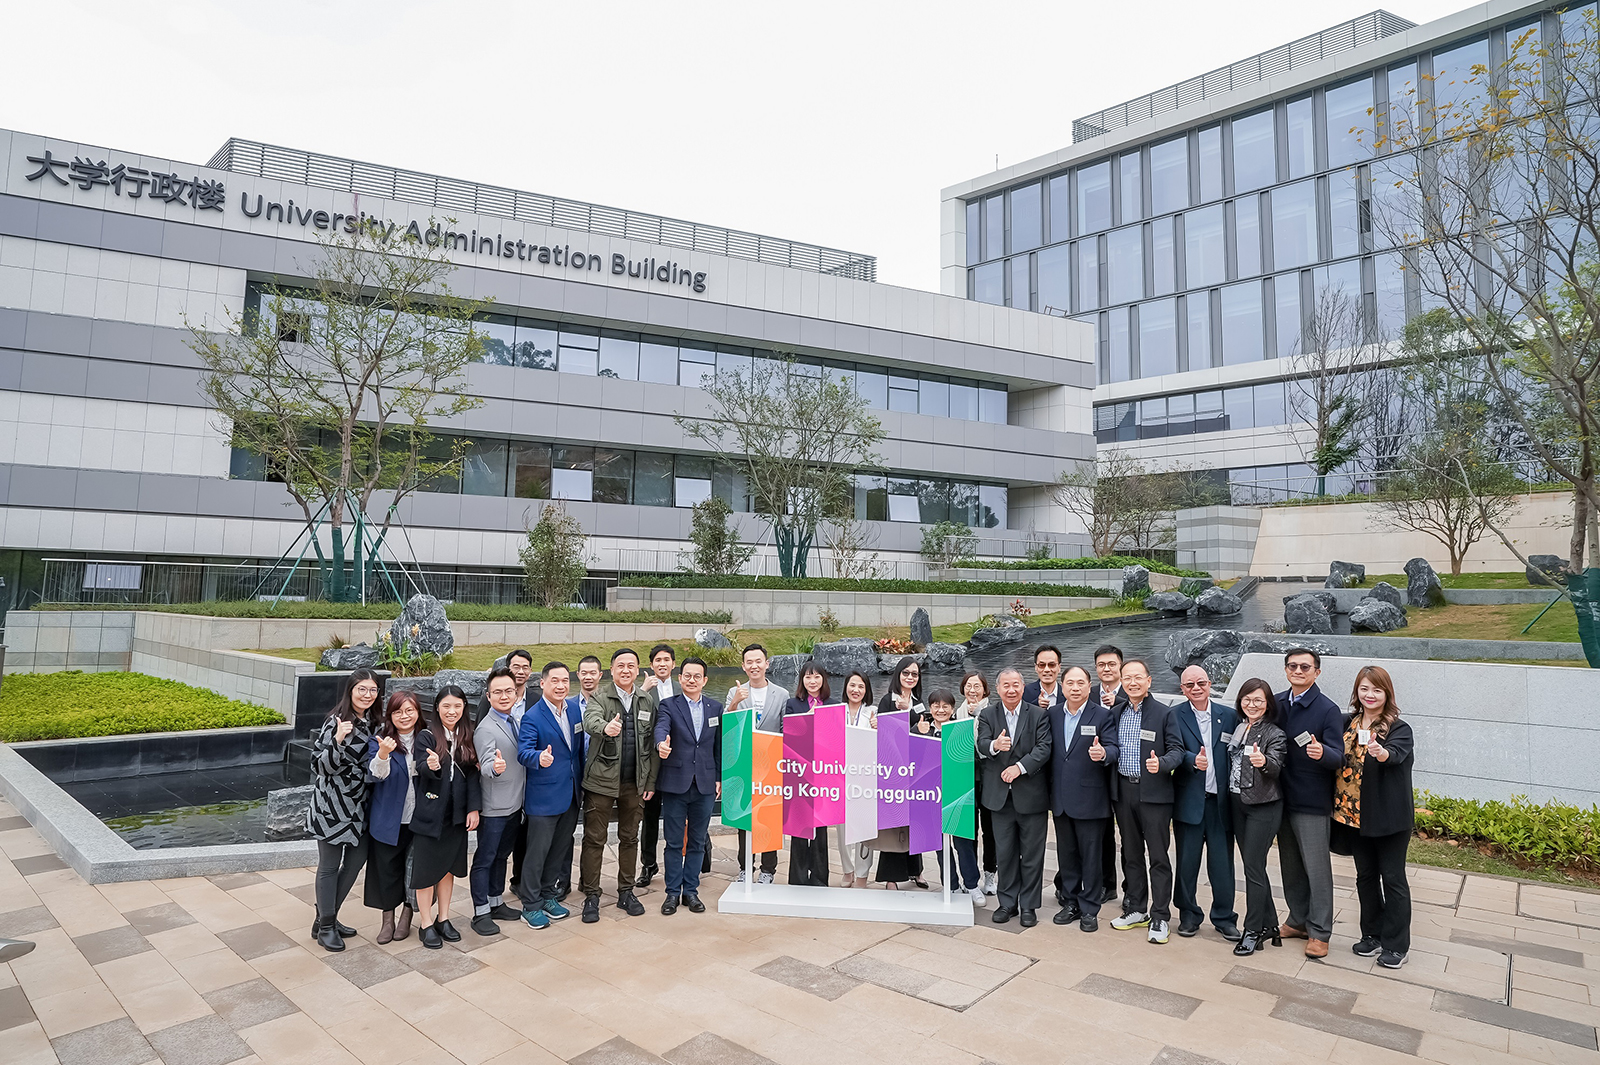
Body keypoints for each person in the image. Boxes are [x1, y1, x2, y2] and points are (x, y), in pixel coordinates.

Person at [1338, 665, 1415, 970]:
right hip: (1355, 816)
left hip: (1389, 818)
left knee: (1393, 879)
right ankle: (1372, 934)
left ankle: (1396, 945)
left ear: (1387, 693)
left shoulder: (1399, 729)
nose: (1370, 695)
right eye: (1364, 689)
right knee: (1366, 877)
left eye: (1377, 690)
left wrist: (1381, 753)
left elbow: (1395, 755)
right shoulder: (1347, 723)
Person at [1275, 648, 1346, 960]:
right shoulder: (1276, 702)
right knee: (1290, 864)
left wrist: (1323, 753)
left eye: (1305, 667)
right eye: (1292, 666)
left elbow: (1339, 756)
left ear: (1317, 672)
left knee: (1317, 870)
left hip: (1311, 799)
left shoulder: (1327, 709)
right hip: (1280, 796)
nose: (1298, 671)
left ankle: (1319, 931)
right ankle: (1297, 920)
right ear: (1286, 670)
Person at [1108, 659, 1185, 944]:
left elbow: (1177, 750)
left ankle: (1160, 915)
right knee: (1130, 853)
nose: (1132, 682)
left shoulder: (1164, 713)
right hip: (1123, 791)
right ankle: (1136, 908)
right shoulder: (1116, 713)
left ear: (1149, 681)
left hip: (1154, 794)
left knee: (1158, 856)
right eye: (1127, 678)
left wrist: (1162, 764)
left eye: (1138, 677)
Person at [578, 648, 659, 921]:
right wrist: (605, 727)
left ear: (637, 670)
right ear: (611, 670)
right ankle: (591, 894)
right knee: (594, 839)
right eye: (620, 665)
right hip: (600, 783)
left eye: (631, 666)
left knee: (630, 838)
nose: (626, 670)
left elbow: (651, 744)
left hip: (634, 784)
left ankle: (626, 891)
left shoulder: (646, 700)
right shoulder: (599, 697)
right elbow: (590, 720)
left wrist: (650, 781)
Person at [308, 669, 378, 952]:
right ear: (350, 690)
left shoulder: (373, 722)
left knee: (356, 861)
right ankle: (327, 926)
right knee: (329, 865)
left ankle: (325, 917)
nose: (367, 695)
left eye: (372, 690)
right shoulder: (336, 721)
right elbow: (319, 766)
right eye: (362, 689)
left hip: (360, 807)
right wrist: (337, 739)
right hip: (332, 806)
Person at [976, 667, 1051, 927]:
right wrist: (994, 746)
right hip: (999, 799)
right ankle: (1007, 903)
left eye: (1016, 684)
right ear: (998, 689)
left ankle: (1029, 905)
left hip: (1031, 796)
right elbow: (981, 743)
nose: (1011, 690)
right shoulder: (988, 714)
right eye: (1006, 685)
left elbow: (1044, 748)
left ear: (1023, 686)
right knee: (1005, 853)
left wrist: (1019, 767)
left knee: (1032, 855)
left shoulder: (1038, 714)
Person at [1172, 665, 1242, 941]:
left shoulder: (1229, 715)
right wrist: (1191, 760)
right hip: (1189, 800)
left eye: (1201, 683)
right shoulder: (1174, 715)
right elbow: (1172, 749)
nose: (1196, 688)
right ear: (1182, 689)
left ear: (1210, 684)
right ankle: (1188, 915)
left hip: (1219, 803)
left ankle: (1224, 917)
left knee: (1222, 864)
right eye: (1190, 685)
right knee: (1186, 863)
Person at [410, 685, 481, 949]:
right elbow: (420, 767)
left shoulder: (466, 735)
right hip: (430, 815)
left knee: (448, 869)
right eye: (446, 706)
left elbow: (472, 774)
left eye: (457, 706)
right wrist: (430, 766)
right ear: (437, 707)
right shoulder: (427, 736)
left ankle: (444, 918)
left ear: (464, 708)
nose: (452, 711)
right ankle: (426, 923)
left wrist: (473, 808)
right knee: (426, 871)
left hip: (456, 816)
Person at [1047, 665, 1116, 932]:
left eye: (1080, 683)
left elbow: (1113, 747)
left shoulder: (1103, 714)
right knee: (1067, 855)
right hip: (1061, 798)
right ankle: (1071, 902)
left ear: (1089, 686)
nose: (1075, 688)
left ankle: (1089, 909)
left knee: (1091, 857)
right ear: (1062, 686)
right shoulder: (1052, 714)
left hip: (1091, 798)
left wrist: (1104, 754)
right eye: (1070, 683)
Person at [517, 661, 585, 929]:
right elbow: (523, 752)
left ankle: (547, 895)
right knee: (537, 853)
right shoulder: (532, 717)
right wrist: (539, 758)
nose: (560, 685)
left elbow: (576, 753)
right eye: (554, 680)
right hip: (544, 798)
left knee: (559, 849)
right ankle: (530, 905)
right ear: (542, 683)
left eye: (564, 681)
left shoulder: (574, 711)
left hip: (570, 794)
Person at [655, 657, 722, 914]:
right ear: (680, 678)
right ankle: (672, 893)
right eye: (687, 676)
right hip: (676, 784)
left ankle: (691, 891)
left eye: (697, 676)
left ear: (704, 680)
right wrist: (661, 744)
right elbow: (661, 728)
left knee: (697, 841)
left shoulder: (715, 708)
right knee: (673, 842)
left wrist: (719, 777)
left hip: (705, 784)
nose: (691, 680)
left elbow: (718, 746)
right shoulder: (668, 705)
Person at [1227, 678, 1288, 957]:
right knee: (1255, 868)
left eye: (1258, 701)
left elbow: (1275, 766)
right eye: (1247, 699)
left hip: (1263, 806)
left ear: (1268, 704)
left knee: (1252, 868)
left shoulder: (1275, 733)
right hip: (1237, 802)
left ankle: (1252, 931)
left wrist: (1264, 762)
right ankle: (1270, 924)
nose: (1252, 705)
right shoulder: (1239, 727)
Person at [470, 666, 526, 936]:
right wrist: (494, 767)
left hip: (514, 804)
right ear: (488, 696)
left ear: (515, 694)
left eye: (508, 691)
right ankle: (480, 912)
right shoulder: (485, 729)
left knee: (502, 856)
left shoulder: (514, 720)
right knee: (486, 858)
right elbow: (486, 763)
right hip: (494, 807)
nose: (504, 696)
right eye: (498, 692)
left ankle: (496, 902)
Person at [726, 644, 789, 882]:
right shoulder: (735, 692)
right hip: (743, 764)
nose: (754, 666)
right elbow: (727, 727)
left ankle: (768, 870)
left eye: (758, 661)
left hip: (771, 765)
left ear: (766, 664)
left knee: (769, 818)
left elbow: (785, 730)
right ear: (743, 666)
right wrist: (734, 703)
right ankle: (745, 867)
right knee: (744, 818)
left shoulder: (781, 694)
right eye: (749, 662)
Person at [364, 692, 423, 944]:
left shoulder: (427, 739)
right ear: (390, 715)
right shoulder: (380, 740)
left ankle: (407, 916)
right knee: (386, 870)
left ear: (418, 712)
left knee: (413, 870)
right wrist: (383, 754)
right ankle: (387, 920)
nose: (404, 716)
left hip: (418, 818)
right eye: (398, 712)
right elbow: (376, 775)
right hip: (388, 819)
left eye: (409, 710)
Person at [921, 689, 980, 902]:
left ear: (953, 709)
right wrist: (922, 733)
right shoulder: (922, 730)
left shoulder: (960, 730)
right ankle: (951, 885)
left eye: (945, 706)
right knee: (940, 845)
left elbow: (973, 761)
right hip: (932, 797)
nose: (941, 710)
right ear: (930, 709)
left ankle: (972, 885)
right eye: (936, 706)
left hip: (958, 795)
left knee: (963, 843)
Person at [877, 656, 929, 889]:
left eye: (914, 674)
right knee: (894, 824)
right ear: (898, 674)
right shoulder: (888, 700)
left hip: (915, 770)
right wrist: (906, 718)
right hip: (894, 771)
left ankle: (915, 870)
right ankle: (891, 877)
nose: (910, 677)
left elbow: (925, 731)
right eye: (906, 673)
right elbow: (886, 736)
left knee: (914, 823)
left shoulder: (918, 702)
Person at [784, 661, 832, 887]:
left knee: (821, 828)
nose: (812, 681)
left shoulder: (833, 705)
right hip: (800, 774)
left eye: (816, 676)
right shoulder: (793, 704)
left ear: (823, 679)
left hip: (824, 774)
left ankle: (820, 878)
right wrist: (808, 718)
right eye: (808, 677)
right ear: (802, 680)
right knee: (800, 826)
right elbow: (787, 735)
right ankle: (798, 877)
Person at [636, 643, 678, 887]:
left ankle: (686, 861)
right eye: (658, 660)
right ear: (651, 665)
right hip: (650, 764)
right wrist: (643, 690)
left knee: (680, 815)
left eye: (666, 660)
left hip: (678, 763)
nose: (662, 664)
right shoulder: (643, 690)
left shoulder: (682, 687)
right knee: (649, 817)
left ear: (673, 663)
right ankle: (648, 864)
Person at [1090, 644, 1128, 903]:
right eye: (1101, 665)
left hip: (1124, 774)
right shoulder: (1089, 693)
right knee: (1102, 834)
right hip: (1096, 774)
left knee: (1129, 836)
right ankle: (1106, 884)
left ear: (1120, 666)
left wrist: (1120, 703)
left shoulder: (1132, 692)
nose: (1106, 669)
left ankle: (1131, 890)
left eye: (1112, 664)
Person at [956, 671, 999, 898]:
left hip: (989, 777)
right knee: (968, 831)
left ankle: (990, 873)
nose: (972, 690)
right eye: (968, 686)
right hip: (964, 778)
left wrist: (979, 715)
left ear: (985, 690)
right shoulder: (956, 713)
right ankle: (969, 878)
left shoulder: (994, 712)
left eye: (977, 686)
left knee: (990, 829)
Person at [838, 671, 876, 887]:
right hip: (840, 776)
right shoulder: (836, 711)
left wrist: (878, 728)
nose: (856, 690)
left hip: (865, 778)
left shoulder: (873, 712)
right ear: (846, 687)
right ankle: (847, 870)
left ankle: (862, 874)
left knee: (864, 827)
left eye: (861, 686)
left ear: (866, 690)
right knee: (842, 827)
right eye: (852, 685)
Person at [1023, 645, 1063, 710]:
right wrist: (1036, 705)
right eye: (1042, 665)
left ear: (1059, 667)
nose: (1047, 670)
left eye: (1052, 665)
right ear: (1036, 667)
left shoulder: (1066, 694)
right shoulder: (1025, 692)